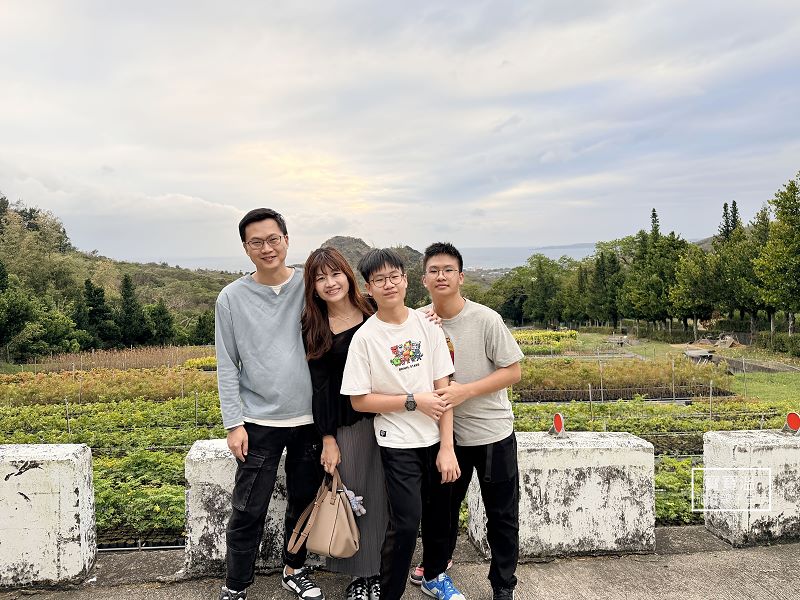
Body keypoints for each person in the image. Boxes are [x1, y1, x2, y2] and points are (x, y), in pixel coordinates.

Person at [341, 248, 466, 600]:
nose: (389, 284)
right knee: (406, 524)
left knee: (440, 518)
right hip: (397, 442)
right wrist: (412, 401)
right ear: (369, 287)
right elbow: (359, 400)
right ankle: (390, 593)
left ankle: (434, 577)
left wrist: (447, 447)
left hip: (436, 439)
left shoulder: (428, 326)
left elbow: (443, 388)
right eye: (379, 279)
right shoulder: (365, 338)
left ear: (406, 280)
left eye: (394, 276)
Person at [215, 208, 325, 600]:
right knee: (248, 508)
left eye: (273, 239)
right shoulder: (231, 298)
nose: (267, 248)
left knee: (304, 502)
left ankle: (294, 569)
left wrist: (423, 316)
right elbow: (227, 364)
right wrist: (234, 424)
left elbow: (353, 312)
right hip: (258, 420)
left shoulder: (310, 285)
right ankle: (236, 585)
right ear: (246, 248)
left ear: (287, 240)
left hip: (311, 418)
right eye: (256, 242)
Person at [418, 242, 523, 600]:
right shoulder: (418, 321)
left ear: (461, 277)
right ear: (424, 280)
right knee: (440, 512)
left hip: (492, 433)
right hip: (444, 437)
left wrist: (466, 391)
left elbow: (513, 371)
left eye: (448, 270)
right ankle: (435, 568)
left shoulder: (485, 319)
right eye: (434, 270)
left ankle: (503, 585)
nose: (441, 276)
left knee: (502, 515)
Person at [301, 247, 387, 600]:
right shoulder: (315, 325)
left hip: (389, 415)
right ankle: (358, 576)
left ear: (348, 275)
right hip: (348, 423)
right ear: (313, 286)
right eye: (320, 278)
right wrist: (328, 438)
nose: (330, 283)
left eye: (335, 274)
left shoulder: (374, 308)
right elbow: (319, 387)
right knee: (354, 495)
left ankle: (379, 571)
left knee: (385, 497)